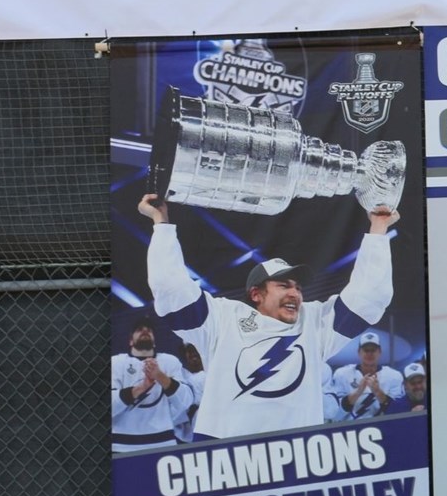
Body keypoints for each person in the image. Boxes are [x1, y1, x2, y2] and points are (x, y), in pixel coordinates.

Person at [140, 193, 398, 439]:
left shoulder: (314, 323)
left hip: (295, 450)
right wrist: (161, 224)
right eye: (284, 286)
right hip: (225, 450)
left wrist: (378, 229)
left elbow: (369, 298)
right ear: (256, 294)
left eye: (298, 288)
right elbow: (171, 289)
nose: (295, 293)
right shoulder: (222, 318)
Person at [110, 317, 197, 453]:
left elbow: (185, 401)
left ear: (155, 342)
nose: (145, 331)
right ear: (130, 341)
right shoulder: (116, 362)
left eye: (149, 330)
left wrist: (160, 376)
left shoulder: (169, 361)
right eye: (139, 329)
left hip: (163, 442)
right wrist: (142, 387)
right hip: (121, 445)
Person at [331, 330, 405, 419]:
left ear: (380, 351)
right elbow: (335, 414)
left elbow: (398, 412)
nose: (369, 354)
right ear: (359, 352)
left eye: (373, 350)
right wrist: (358, 392)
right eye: (366, 350)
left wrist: (378, 392)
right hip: (350, 426)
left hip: (383, 425)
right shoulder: (342, 374)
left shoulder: (394, 376)